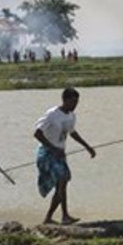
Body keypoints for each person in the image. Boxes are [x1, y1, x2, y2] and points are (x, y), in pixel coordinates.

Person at [33, 87, 96, 225]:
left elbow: (72, 133)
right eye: (73, 102)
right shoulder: (52, 114)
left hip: (60, 153)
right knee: (62, 180)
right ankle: (58, 216)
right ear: (65, 100)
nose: (75, 105)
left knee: (63, 182)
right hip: (47, 153)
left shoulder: (71, 116)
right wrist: (52, 148)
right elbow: (37, 133)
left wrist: (88, 147)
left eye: (77, 103)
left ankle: (56, 216)